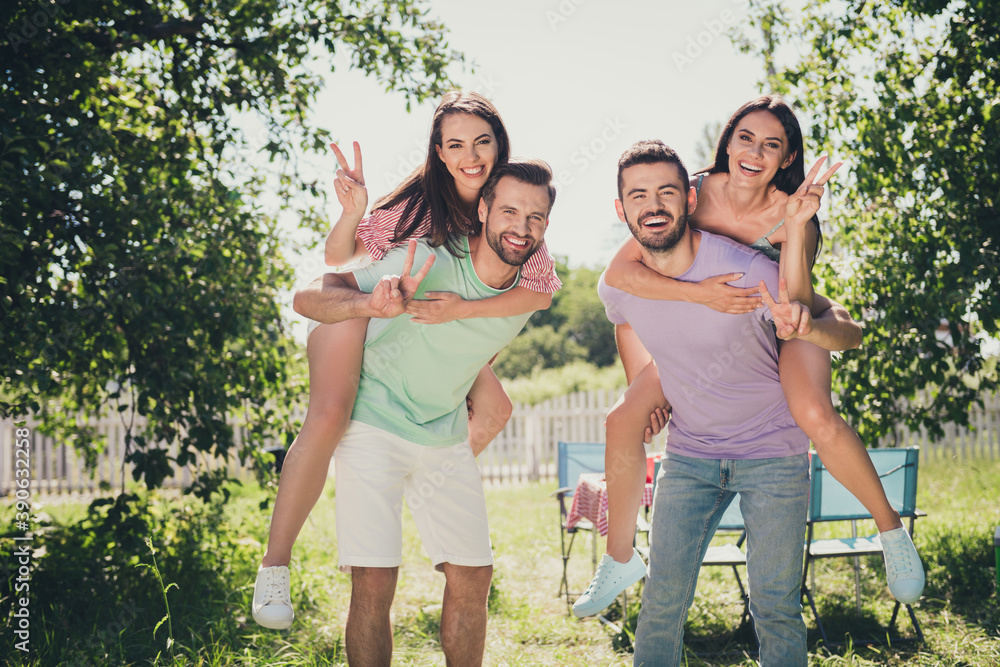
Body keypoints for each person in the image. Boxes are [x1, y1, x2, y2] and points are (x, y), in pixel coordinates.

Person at [572, 96, 924, 618]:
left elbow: (798, 298)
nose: (754, 151)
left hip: (778, 314)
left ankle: (891, 530)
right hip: (713, 323)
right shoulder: (688, 191)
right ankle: (620, 557)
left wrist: (798, 225)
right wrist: (652, 383)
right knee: (622, 417)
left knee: (813, 414)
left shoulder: (792, 209)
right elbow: (624, 279)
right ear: (727, 142)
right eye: (745, 137)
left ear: (786, 158)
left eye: (771, 144)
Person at [251, 91, 561, 630]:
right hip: (352, 305)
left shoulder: (515, 212)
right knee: (330, 416)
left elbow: (540, 290)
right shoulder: (417, 205)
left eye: (483, 142)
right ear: (439, 153)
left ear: (500, 146)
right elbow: (338, 262)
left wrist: (464, 312)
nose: (471, 155)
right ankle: (274, 565)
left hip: (425, 320)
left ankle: (419, 477)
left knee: (495, 411)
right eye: (456, 144)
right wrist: (352, 213)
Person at [598, 140, 863, 665]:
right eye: (639, 195)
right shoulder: (619, 284)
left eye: (666, 192)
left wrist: (810, 321)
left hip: (773, 457)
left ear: (690, 200)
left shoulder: (746, 269)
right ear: (621, 208)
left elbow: (844, 325)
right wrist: (648, 394)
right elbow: (626, 322)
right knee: (661, 601)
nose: (653, 205)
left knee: (776, 607)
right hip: (690, 459)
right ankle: (617, 560)